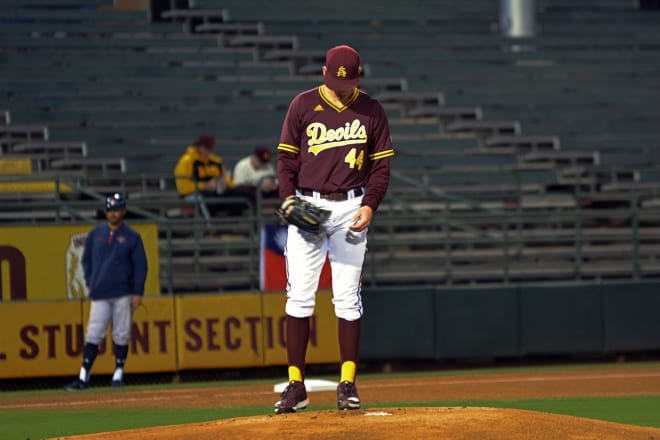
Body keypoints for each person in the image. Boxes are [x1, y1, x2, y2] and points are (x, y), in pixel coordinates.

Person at [274, 44, 395, 413]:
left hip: (351, 206)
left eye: (348, 81)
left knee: (346, 296)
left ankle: (347, 382)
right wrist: (288, 198)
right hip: (309, 204)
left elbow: (381, 167)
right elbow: (285, 159)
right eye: (334, 79)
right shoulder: (303, 104)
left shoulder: (371, 109)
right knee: (299, 297)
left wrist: (370, 204)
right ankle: (296, 385)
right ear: (324, 72)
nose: (341, 87)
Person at [64, 193, 148, 390]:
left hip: (123, 291)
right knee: (94, 333)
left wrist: (138, 291)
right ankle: (84, 376)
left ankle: (118, 374)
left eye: (117, 210)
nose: (113, 213)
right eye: (110, 210)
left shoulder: (132, 237)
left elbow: (140, 266)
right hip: (100, 291)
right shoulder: (96, 234)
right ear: (105, 212)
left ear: (124, 212)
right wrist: (92, 281)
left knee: (121, 333)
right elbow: (86, 261)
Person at [173, 133, 247, 217]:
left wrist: (225, 184)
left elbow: (228, 179)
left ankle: (232, 224)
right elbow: (183, 188)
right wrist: (205, 185)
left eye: (210, 148)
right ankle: (210, 227)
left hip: (216, 191)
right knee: (202, 199)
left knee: (237, 194)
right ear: (199, 147)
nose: (208, 151)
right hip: (194, 194)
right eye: (206, 148)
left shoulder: (216, 161)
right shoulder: (186, 161)